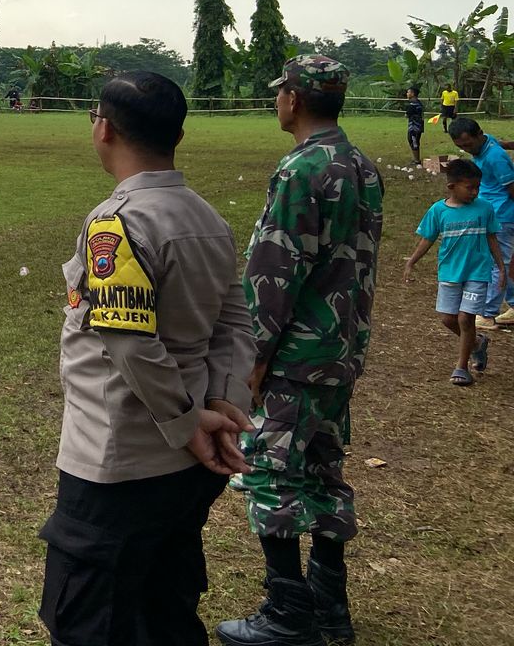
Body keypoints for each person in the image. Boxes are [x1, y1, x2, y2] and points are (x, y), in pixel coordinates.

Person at [39, 72, 254, 646]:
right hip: (189, 467)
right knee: (165, 609)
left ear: (104, 130)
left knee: (88, 621)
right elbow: (235, 322)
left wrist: (187, 424)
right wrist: (223, 405)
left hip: (120, 460)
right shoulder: (208, 219)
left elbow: (130, 342)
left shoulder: (117, 222)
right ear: (177, 136)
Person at [218, 56, 383, 646]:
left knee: (269, 469)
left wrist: (254, 357)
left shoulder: (301, 169)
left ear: (293, 98)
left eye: (280, 92)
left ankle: (288, 613)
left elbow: (274, 271)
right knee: (325, 468)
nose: (277, 102)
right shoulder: (362, 165)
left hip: (295, 355)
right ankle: (329, 604)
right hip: (341, 348)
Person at [403, 158, 506, 384]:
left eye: (478, 187)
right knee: (448, 319)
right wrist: (411, 261)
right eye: (470, 187)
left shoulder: (485, 208)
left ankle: (461, 367)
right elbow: (427, 239)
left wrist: (501, 267)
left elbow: (492, 238)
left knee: (465, 319)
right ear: (452, 186)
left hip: (477, 272)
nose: (475, 192)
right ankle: (477, 343)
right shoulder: (438, 211)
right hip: (450, 273)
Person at [448, 116, 514, 331]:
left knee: (498, 263)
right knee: (502, 262)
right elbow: (501, 143)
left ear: (479, 135)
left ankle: (487, 313)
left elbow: (512, 187)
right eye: (461, 146)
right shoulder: (487, 142)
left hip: (502, 216)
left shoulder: (495, 157)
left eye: (468, 144)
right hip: (489, 213)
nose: (467, 150)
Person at [404, 85, 425, 166]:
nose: (407, 94)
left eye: (408, 92)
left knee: (413, 141)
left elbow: (407, 115)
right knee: (415, 141)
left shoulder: (413, 105)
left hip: (414, 126)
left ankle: (417, 160)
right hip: (418, 126)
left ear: (412, 94)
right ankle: (416, 159)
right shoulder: (419, 103)